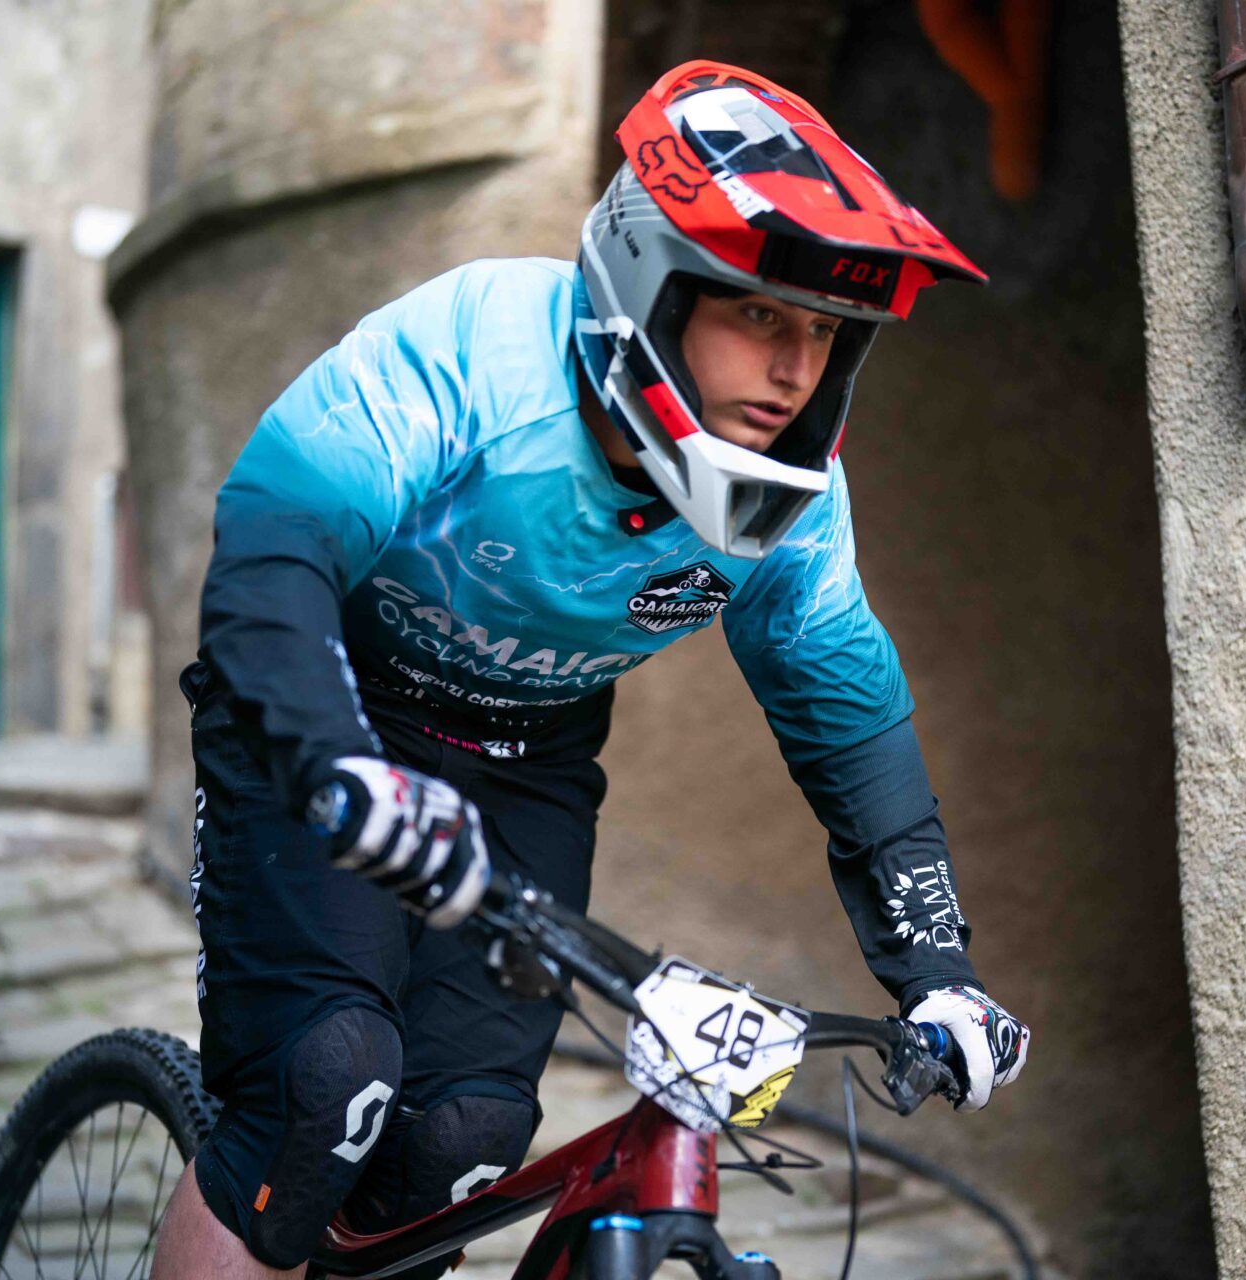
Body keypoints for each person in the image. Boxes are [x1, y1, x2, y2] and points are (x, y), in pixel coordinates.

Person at [151, 60, 1032, 1280]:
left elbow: (846, 710)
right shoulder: (476, 350)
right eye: (761, 316)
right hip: (331, 707)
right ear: (652, 288)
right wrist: (336, 760)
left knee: (463, 1139)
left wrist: (937, 968)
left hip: (527, 761)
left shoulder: (793, 502)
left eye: (826, 332)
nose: (797, 370)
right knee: (323, 1083)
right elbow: (275, 537)